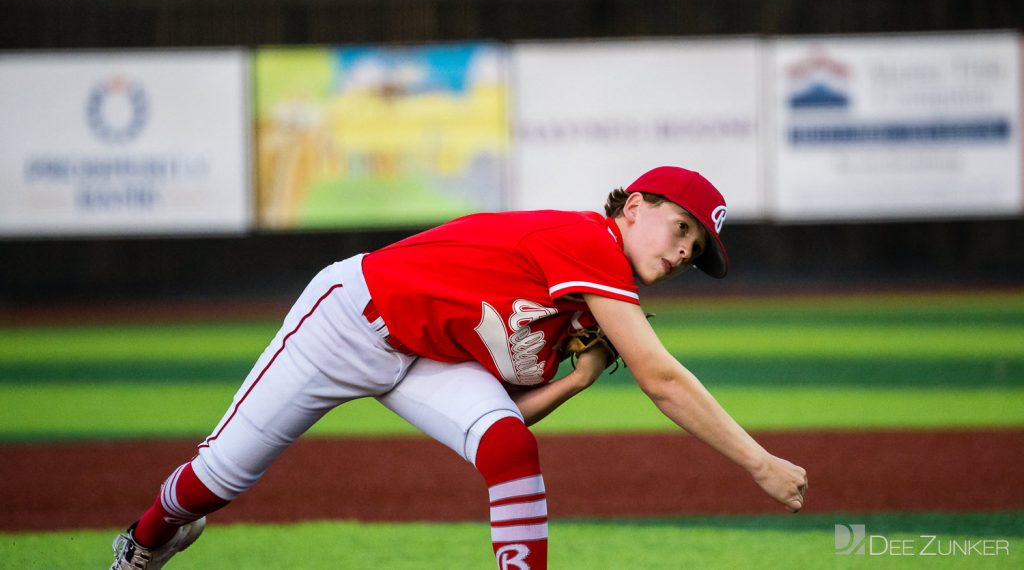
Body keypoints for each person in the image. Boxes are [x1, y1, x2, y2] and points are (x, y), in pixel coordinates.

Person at [110, 165, 808, 570]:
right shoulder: (585, 242)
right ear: (632, 209)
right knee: (216, 480)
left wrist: (578, 378)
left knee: (509, 446)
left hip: (426, 356)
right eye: (681, 227)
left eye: (697, 246)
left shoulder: (579, 312)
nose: (686, 251)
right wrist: (757, 462)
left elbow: (507, 414)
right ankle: (143, 543)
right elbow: (660, 379)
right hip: (349, 321)